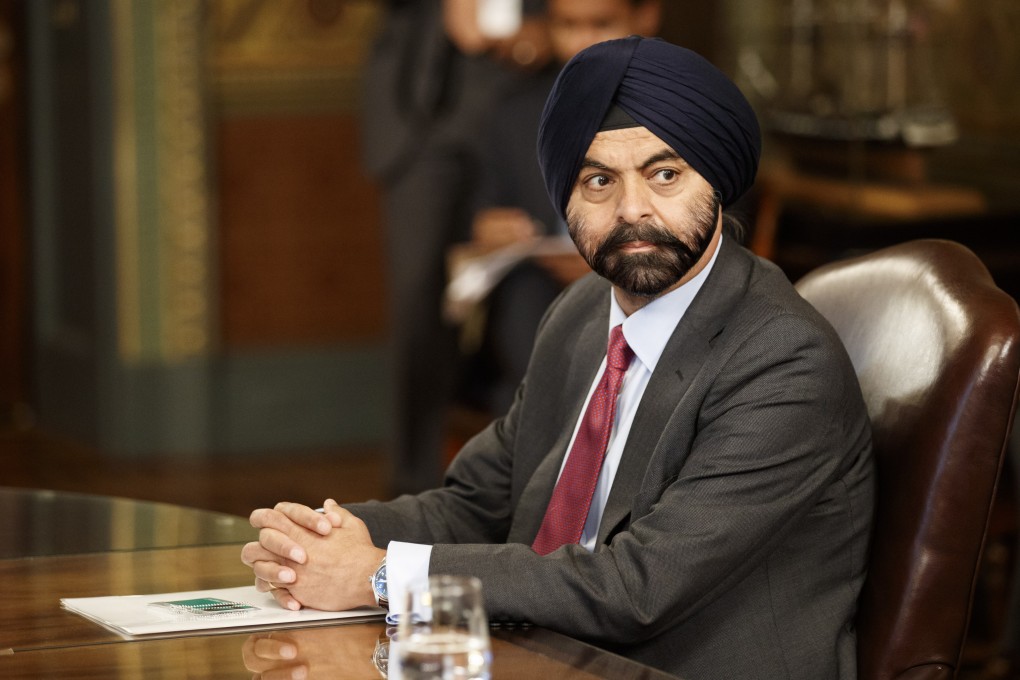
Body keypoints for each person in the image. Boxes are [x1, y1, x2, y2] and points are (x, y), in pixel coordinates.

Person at [244, 37, 875, 679]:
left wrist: (379, 576)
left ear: (717, 179)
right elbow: (475, 505)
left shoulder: (782, 359)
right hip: (546, 656)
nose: (632, 210)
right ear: (563, 202)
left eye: (665, 175)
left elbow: (639, 589)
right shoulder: (579, 314)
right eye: (598, 181)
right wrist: (318, 538)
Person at [361, 0, 552, 495]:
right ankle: (416, 489)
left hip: (532, 98)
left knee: (529, 288)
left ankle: (517, 485)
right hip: (419, 114)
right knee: (420, 308)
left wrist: (547, 30)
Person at [456, 0, 662, 415]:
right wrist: (491, 228)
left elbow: (718, 221)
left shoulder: (678, 108)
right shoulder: (514, 111)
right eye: (567, 25)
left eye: (601, 24)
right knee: (522, 295)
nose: (583, 41)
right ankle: (543, 430)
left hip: (651, 280)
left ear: (645, 17)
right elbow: (484, 209)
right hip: (542, 287)